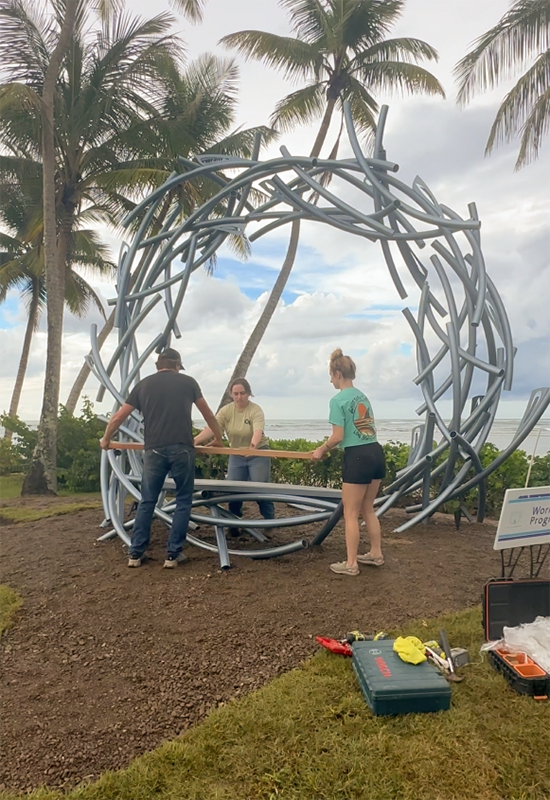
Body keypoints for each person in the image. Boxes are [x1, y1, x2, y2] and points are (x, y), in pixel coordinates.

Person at [99, 348, 223, 568]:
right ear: (177, 365)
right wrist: (218, 438)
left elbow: (119, 416)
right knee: (183, 500)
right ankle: (172, 556)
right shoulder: (188, 383)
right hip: (183, 448)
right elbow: (208, 415)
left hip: (154, 449)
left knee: (147, 501)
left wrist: (106, 438)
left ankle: (135, 554)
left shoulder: (144, 385)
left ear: (158, 365)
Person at [312, 348, 386, 576]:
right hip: (375, 452)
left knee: (351, 513)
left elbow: (338, 436)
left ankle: (351, 563)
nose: (330, 380)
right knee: (369, 509)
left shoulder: (338, 400)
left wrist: (321, 449)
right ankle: (376, 553)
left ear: (337, 373)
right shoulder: (362, 396)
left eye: (331, 375)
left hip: (357, 456)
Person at [194, 378, 275, 531]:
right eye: (236, 394)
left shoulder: (255, 410)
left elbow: (258, 431)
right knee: (233, 489)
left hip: (258, 453)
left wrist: (252, 447)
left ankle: (269, 522)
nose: (239, 397)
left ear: (249, 393)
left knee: (261, 489)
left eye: (242, 393)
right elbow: (213, 428)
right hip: (236, 454)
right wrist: (195, 441)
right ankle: (234, 523)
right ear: (231, 394)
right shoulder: (226, 410)